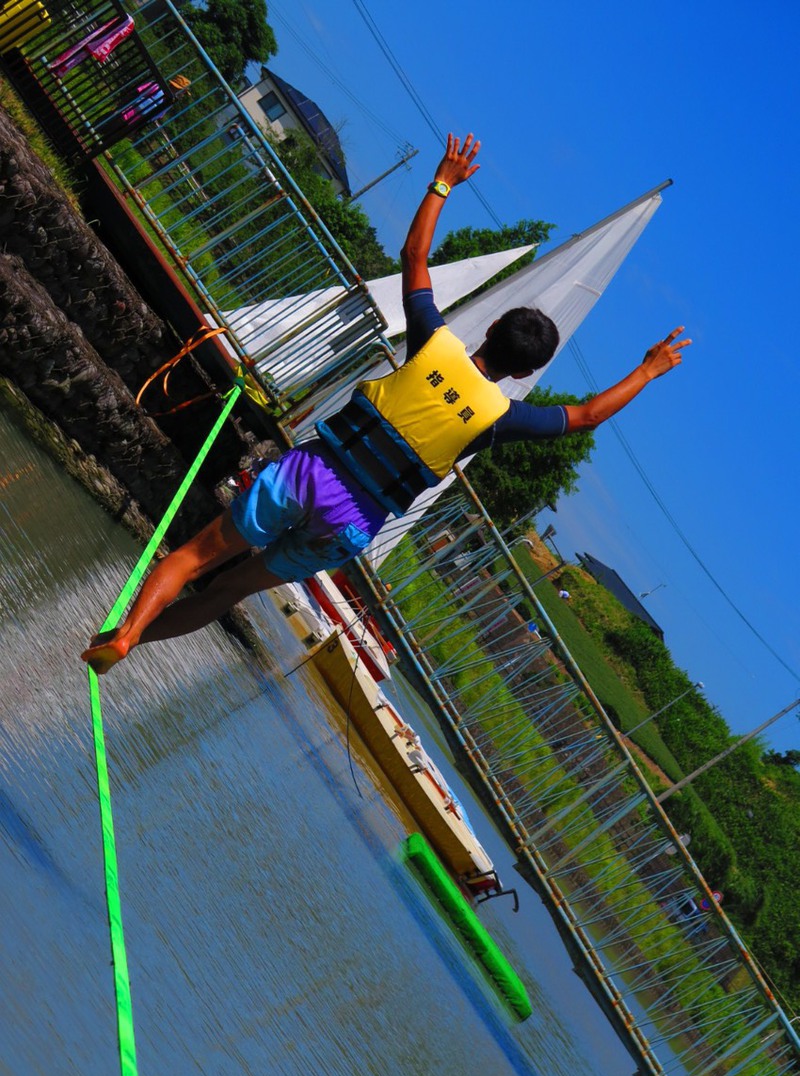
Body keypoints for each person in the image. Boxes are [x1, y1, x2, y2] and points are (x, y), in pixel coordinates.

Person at [82, 132, 690, 674]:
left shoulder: (434, 342)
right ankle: (134, 647)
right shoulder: (501, 417)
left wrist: (442, 182)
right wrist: (648, 369)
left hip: (309, 474)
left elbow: (415, 258)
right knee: (227, 592)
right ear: (528, 371)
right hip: (350, 523)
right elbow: (585, 415)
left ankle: (129, 634)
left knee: (191, 557)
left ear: (493, 324)